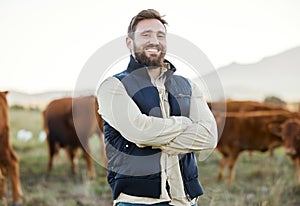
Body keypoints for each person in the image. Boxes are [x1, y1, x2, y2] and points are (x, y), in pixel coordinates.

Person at [97, 9, 218, 206]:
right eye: (146, 34)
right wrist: (185, 124)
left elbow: (210, 137)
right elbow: (141, 132)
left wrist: (155, 138)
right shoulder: (113, 86)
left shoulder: (188, 86)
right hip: (137, 201)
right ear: (130, 42)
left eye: (160, 35)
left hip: (187, 201)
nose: (154, 40)